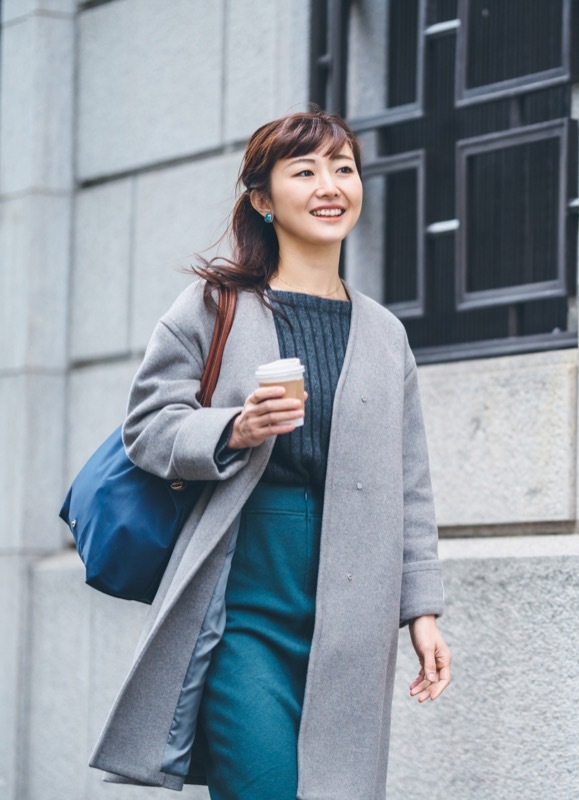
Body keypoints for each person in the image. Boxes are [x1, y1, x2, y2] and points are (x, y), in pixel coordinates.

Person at [89, 109, 452, 799]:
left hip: (354, 606)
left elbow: (411, 483)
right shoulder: (214, 305)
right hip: (242, 602)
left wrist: (423, 612)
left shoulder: (384, 334)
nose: (330, 186)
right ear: (263, 198)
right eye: (305, 171)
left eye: (343, 169)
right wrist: (235, 429)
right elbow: (148, 426)